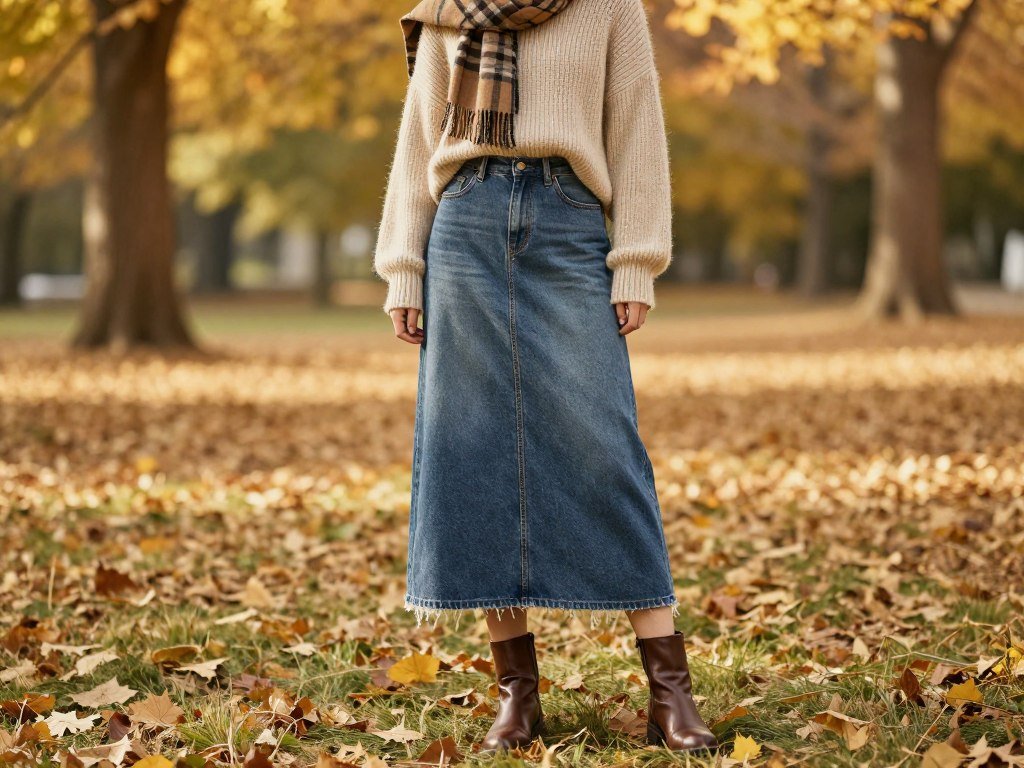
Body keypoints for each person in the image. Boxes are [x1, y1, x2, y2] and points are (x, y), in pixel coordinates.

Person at [372, 0, 718, 754]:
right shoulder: (447, 9)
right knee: (476, 453)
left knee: (605, 450)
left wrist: (637, 258)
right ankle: (516, 697)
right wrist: (404, 267)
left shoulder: (609, 7)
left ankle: (669, 692)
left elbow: (635, 126)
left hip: (568, 220)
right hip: (463, 220)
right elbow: (419, 135)